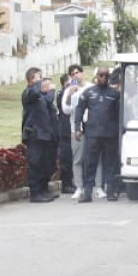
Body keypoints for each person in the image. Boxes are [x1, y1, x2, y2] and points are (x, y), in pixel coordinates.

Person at [74, 67, 123, 202]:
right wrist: (77, 128)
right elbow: (79, 110)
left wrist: (120, 131)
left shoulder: (114, 94)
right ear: (96, 76)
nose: (103, 78)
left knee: (110, 164)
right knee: (90, 163)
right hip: (92, 134)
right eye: (100, 75)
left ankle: (111, 191)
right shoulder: (88, 92)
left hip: (110, 134)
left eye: (105, 75)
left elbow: (120, 114)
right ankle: (87, 192)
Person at [19, 67, 59, 203]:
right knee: (35, 163)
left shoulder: (40, 96)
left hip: (44, 134)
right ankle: (35, 192)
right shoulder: (28, 93)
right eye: (38, 77)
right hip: (34, 134)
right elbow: (34, 93)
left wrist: (51, 90)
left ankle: (43, 189)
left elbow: (48, 100)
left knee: (44, 164)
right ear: (31, 80)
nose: (41, 80)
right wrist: (40, 85)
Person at [56, 65, 85, 197]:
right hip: (69, 129)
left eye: (77, 73)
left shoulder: (88, 88)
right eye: (72, 74)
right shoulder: (66, 92)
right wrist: (70, 93)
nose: (75, 76)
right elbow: (66, 109)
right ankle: (70, 184)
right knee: (71, 158)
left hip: (87, 127)